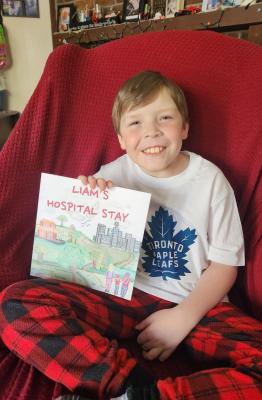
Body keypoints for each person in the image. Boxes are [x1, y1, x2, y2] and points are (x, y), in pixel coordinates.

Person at [0, 71, 261, 400]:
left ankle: (153, 396)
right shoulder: (111, 175)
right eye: (135, 122)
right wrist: (86, 200)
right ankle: (124, 385)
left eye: (164, 117)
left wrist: (183, 316)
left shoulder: (211, 181)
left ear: (184, 128)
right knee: (13, 302)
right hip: (121, 295)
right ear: (121, 138)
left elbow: (225, 265)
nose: (151, 130)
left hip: (196, 303)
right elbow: (77, 253)